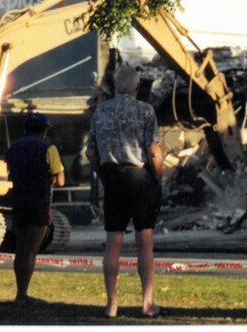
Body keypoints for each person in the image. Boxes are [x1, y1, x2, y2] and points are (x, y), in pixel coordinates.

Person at [86, 64, 163, 319]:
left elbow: (91, 152)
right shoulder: (146, 110)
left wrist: (103, 175)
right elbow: (153, 151)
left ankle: (111, 304)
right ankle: (147, 303)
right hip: (140, 178)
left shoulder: (101, 111)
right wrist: (157, 178)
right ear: (137, 87)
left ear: (116, 86)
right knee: (145, 241)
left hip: (114, 179)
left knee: (113, 242)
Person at [5, 112, 64, 304]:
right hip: (39, 201)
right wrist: (50, 178)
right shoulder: (49, 148)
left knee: (20, 249)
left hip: (18, 200)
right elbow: (60, 180)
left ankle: (19, 292)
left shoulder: (13, 148)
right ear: (44, 130)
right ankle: (22, 295)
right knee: (31, 250)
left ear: (25, 129)